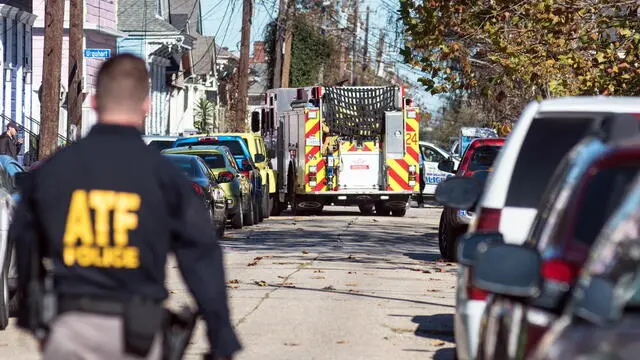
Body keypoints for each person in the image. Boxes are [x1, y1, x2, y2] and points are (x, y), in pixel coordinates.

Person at [10, 54, 241, 360]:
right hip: (137, 334)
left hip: (69, 329)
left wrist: (32, 313)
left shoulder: (54, 171)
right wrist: (220, 334)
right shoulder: (165, 178)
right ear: (146, 106)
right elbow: (201, 256)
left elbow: (23, 239)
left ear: (93, 102)